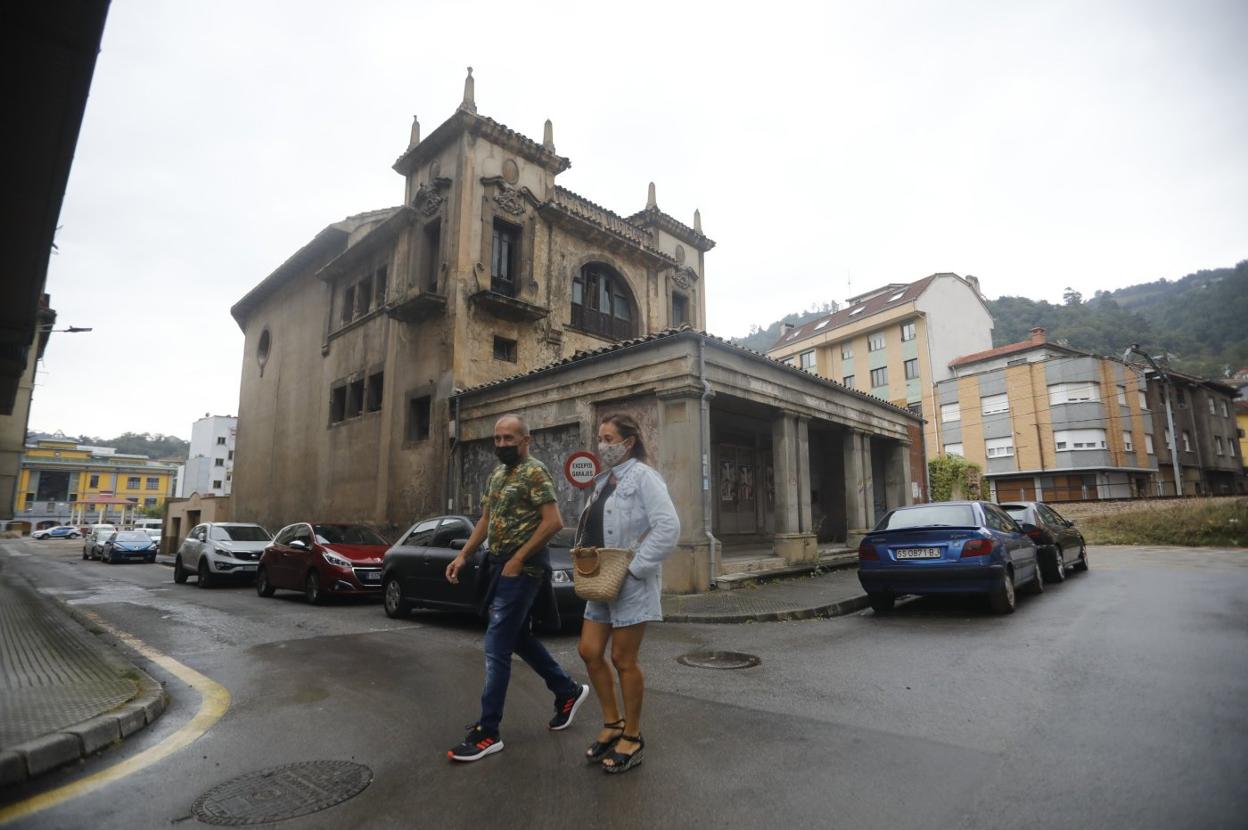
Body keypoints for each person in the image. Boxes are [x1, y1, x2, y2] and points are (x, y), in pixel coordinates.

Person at [444, 414, 588, 762]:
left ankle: (488, 731)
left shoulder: (535, 471)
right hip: (497, 565)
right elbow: (486, 519)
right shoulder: (497, 474)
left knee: (496, 644)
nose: (503, 445)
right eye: (498, 439)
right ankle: (566, 690)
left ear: (527, 439)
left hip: (522, 570)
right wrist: (464, 554)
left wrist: (519, 558)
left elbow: (554, 521)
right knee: (517, 638)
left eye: (510, 438)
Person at [576, 413, 680, 774]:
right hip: (600, 579)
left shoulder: (644, 477)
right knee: (589, 651)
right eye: (600, 439)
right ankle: (612, 722)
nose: (602, 446)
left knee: (623, 659)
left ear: (628, 441)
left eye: (608, 439)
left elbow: (668, 526)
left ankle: (632, 738)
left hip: (631, 581)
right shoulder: (603, 480)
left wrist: (635, 569)